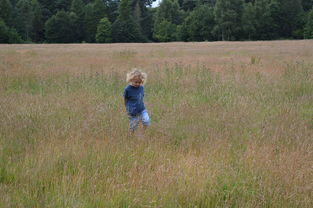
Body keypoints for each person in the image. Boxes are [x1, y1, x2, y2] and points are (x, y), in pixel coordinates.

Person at [123, 69, 150, 135]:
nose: (137, 84)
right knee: (133, 127)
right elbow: (125, 99)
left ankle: (141, 133)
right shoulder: (127, 89)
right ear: (131, 80)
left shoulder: (141, 88)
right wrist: (127, 109)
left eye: (139, 82)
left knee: (146, 121)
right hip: (132, 111)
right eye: (136, 82)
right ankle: (131, 136)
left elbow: (141, 97)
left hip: (142, 110)